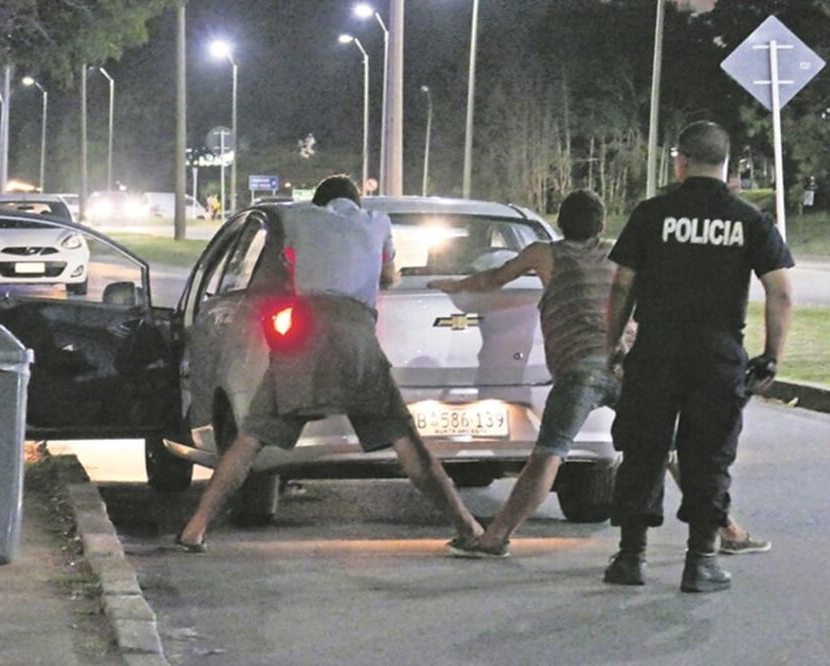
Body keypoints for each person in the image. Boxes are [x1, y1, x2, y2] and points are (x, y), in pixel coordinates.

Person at [176, 174, 484, 552]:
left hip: (303, 338)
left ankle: (196, 527)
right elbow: (388, 276)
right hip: (356, 340)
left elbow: (285, 271)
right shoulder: (377, 223)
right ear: (357, 203)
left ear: (319, 203)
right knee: (406, 441)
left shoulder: (297, 220)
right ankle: (467, 527)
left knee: (249, 440)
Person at [602, 120, 794, 592]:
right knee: (709, 454)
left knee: (644, 449)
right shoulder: (750, 219)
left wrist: (612, 344)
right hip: (717, 353)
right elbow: (781, 293)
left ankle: (630, 557)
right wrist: (771, 356)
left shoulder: (652, 213)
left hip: (657, 350)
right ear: (725, 164)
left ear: (681, 161)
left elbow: (622, 283)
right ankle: (701, 561)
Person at [429, 189, 618, 558]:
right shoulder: (616, 253)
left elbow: (492, 280)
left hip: (579, 368)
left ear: (560, 224)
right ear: (601, 224)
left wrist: (454, 285)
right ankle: (725, 529)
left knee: (548, 455)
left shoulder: (543, 253)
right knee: (670, 448)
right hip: (625, 363)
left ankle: (495, 538)